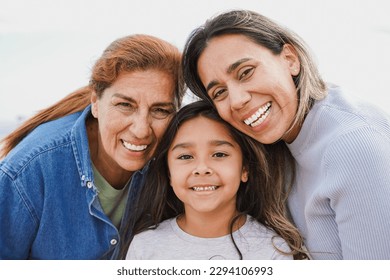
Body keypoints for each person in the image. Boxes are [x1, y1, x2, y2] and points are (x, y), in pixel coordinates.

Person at [182, 10, 390, 259]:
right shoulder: (280, 143)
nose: (237, 100)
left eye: (246, 72)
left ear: (290, 59)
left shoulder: (353, 146)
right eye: (219, 92)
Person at [0, 34, 185, 259]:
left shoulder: (180, 157)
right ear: (95, 103)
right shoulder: (28, 170)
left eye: (160, 110)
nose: (141, 130)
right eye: (125, 105)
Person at [119, 100, 307, 260]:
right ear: (169, 173)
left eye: (219, 154)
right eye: (185, 157)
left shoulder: (273, 251)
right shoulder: (145, 247)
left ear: (245, 168)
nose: (201, 169)